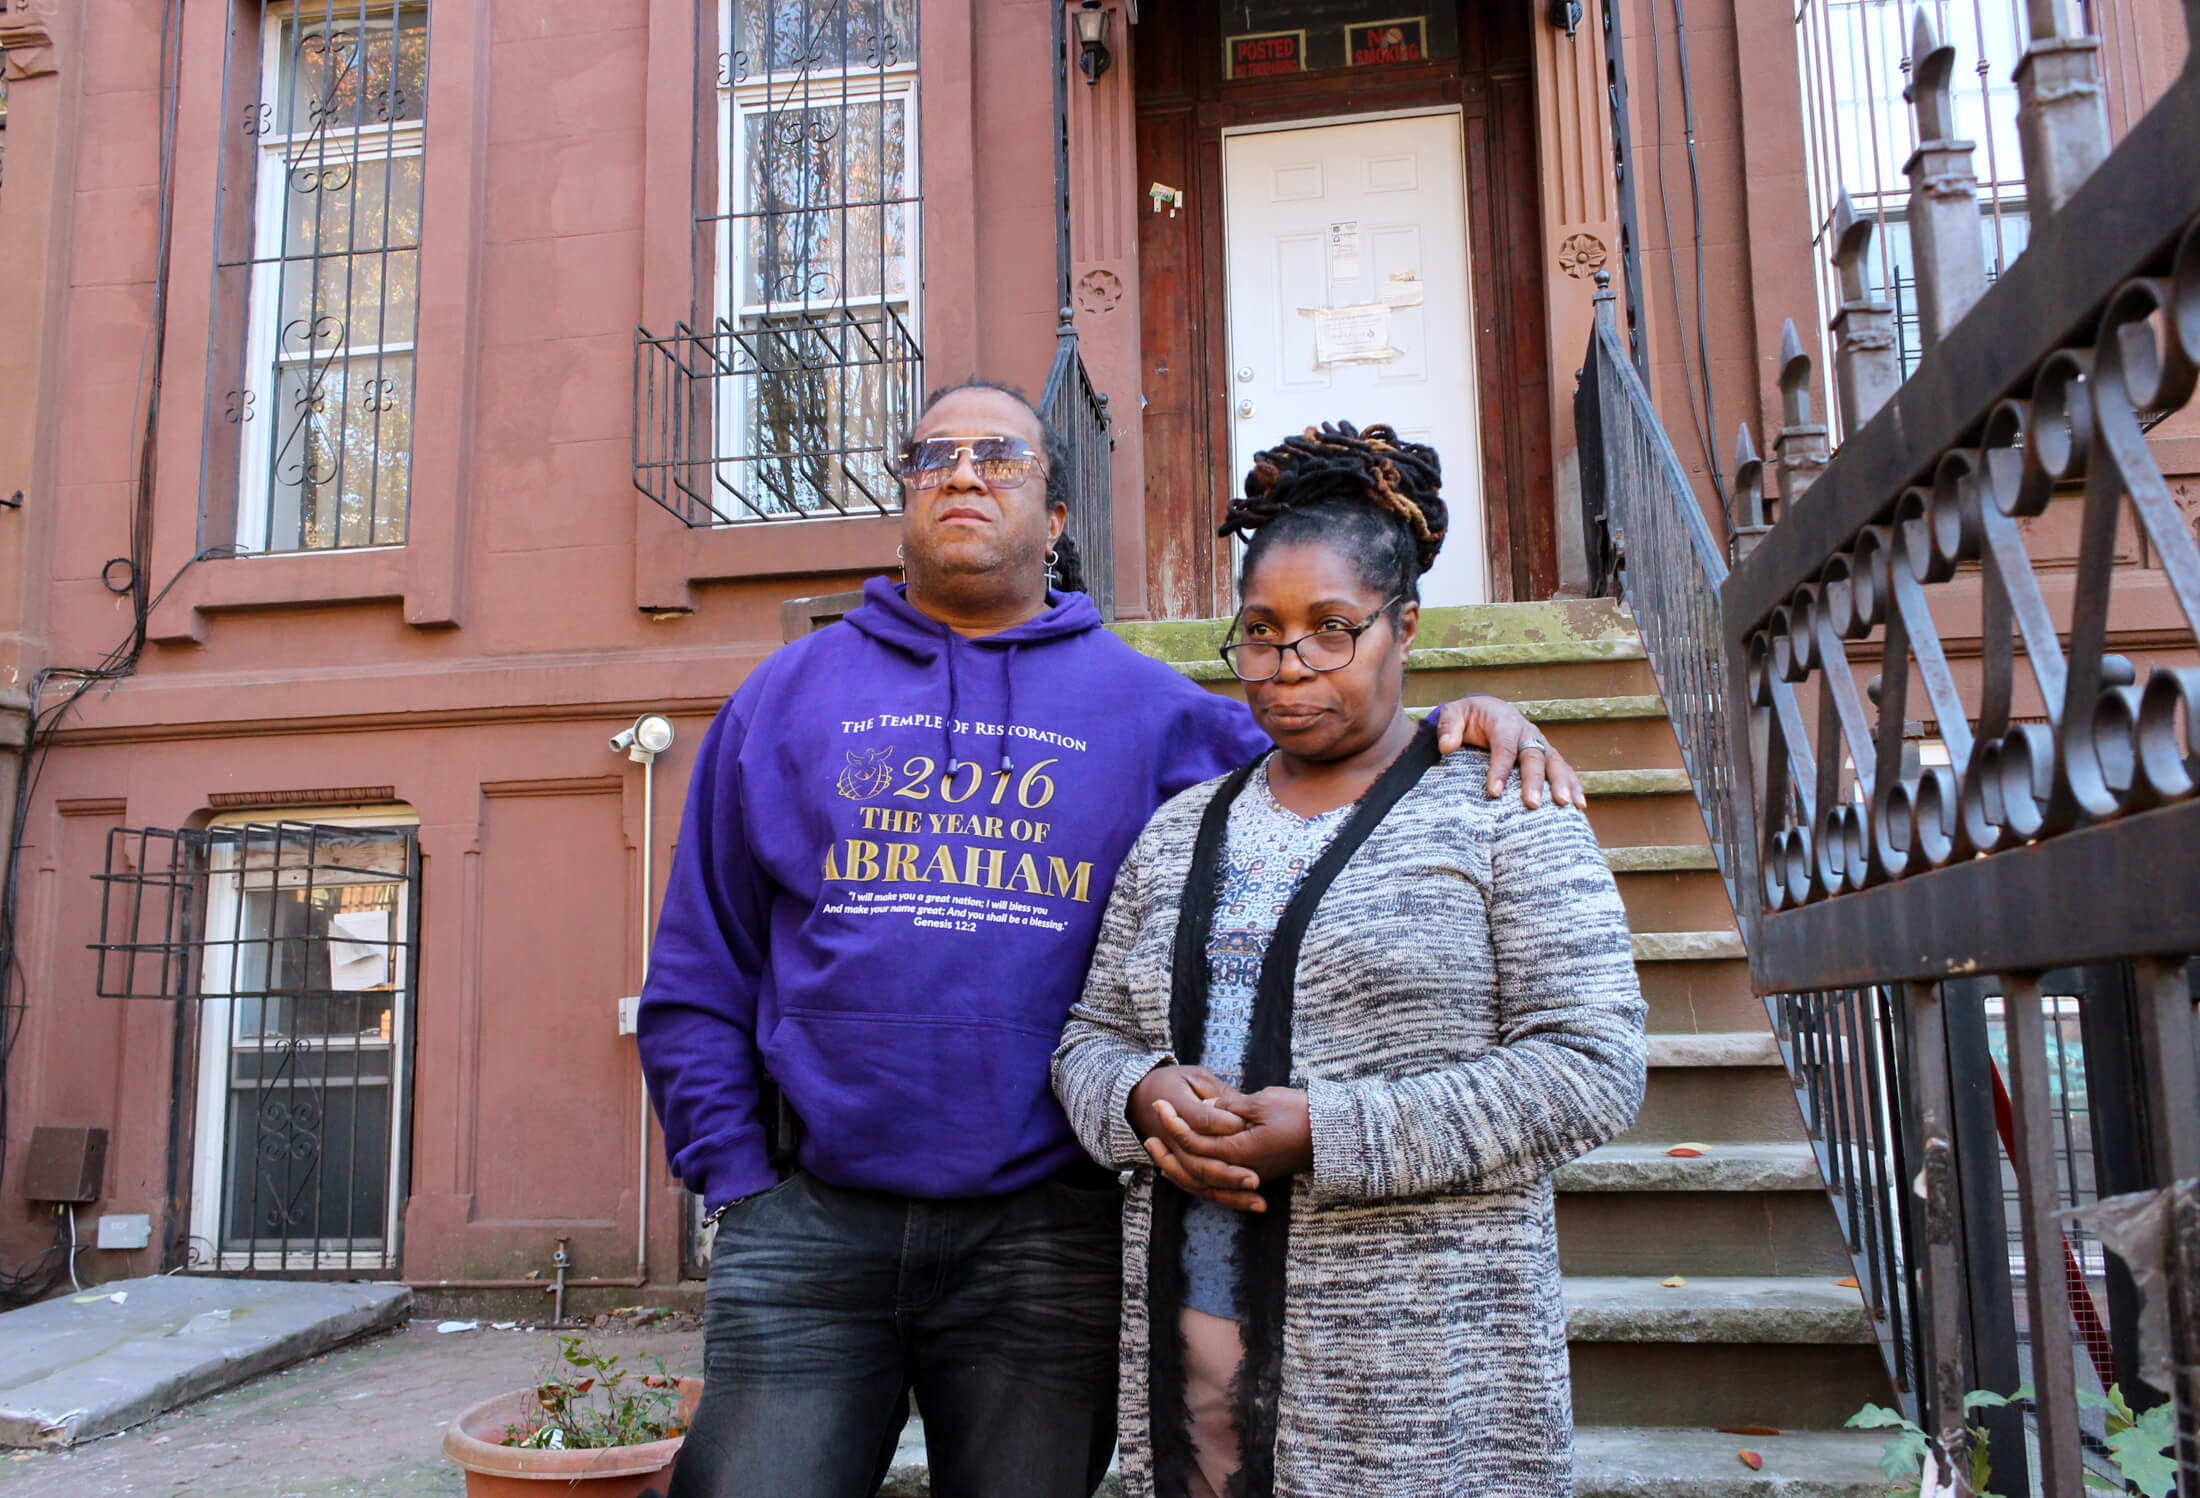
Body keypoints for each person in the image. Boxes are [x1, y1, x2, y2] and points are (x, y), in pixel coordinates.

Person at [637, 386, 1585, 1498]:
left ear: (1056, 512)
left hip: (1045, 1238)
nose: (961, 473)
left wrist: (1453, 726)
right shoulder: (785, 696)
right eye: (931, 453)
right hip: (809, 1222)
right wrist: (736, 1179)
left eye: (999, 454)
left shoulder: (1153, 713)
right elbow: (700, 964)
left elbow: (1324, 737)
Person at [1053, 422, 1647, 1498]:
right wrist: (1137, 1096)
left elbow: (1591, 1065)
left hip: (1419, 1359)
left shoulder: (1502, 808)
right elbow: (1090, 1033)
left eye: (1332, 630)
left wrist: (1328, 1130)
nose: (1288, 668)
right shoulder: (1181, 827)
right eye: (1260, 633)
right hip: (1193, 1322)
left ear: (1403, 625)